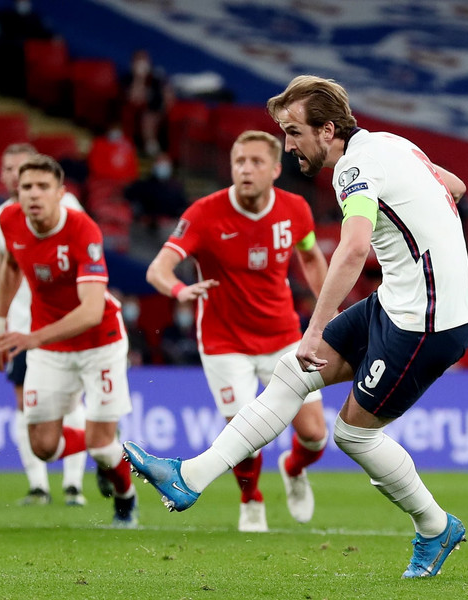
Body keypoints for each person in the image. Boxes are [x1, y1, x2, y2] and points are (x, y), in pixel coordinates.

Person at [126, 75, 468, 578]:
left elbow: (354, 247)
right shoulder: (390, 144)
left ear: (328, 129)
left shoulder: (353, 167)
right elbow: (455, 188)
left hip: (427, 324)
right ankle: (190, 477)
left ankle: (434, 526)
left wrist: (315, 328)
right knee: (292, 374)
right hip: (399, 301)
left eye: (293, 132)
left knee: (353, 435)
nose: (288, 145)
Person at [145, 130, 330, 532]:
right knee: (244, 435)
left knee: (316, 435)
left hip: (283, 334)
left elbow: (312, 258)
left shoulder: (296, 210)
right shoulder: (203, 214)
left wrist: (330, 310)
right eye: (239, 162)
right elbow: (157, 269)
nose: (245, 169)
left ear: (276, 169)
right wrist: (179, 289)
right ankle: (252, 499)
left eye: (256, 162)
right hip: (224, 341)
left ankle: (294, 469)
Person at [0, 154, 137, 527]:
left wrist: (31, 337)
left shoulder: (83, 230)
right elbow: (10, 266)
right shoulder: (8, 220)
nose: (33, 195)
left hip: (99, 341)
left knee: (101, 449)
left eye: (42, 187)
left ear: (61, 194)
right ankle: (109, 446)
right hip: (50, 347)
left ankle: (124, 498)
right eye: (26, 188)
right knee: (43, 446)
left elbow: (89, 311)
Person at [0, 143, 88, 507]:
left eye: (21, 168)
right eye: (8, 168)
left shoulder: (68, 207)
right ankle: (38, 486)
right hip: (20, 326)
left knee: (70, 403)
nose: (15, 175)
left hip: (63, 325)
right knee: (24, 405)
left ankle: (74, 485)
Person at [123, 153, 188, 230]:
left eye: (165, 163)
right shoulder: (143, 185)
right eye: (160, 162)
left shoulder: (176, 188)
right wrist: (141, 217)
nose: (163, 166)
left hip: (167, 227)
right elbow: (130, 199)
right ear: (154, 164)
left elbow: (182, 207)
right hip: (144, 227)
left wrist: (171, 220)